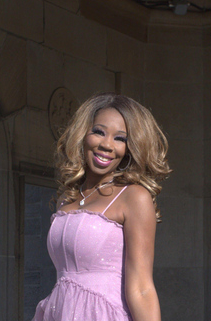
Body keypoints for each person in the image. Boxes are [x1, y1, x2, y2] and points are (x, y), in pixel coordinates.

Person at [32, 93, 171, 321]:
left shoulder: (134, 197)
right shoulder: (66, 200)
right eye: (99, 132)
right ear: (83, 134)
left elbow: (142, 288)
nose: (106, 145)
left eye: (120, 138)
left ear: (130, 147)